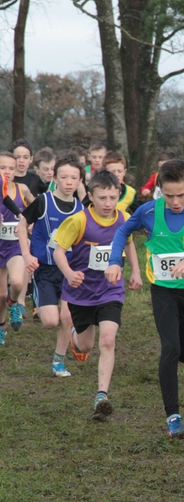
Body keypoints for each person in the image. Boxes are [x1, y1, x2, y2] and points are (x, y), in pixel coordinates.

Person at [107, 160, 184, 438]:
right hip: (162, 290)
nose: (175, 202)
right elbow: (122, 230)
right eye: (169, 195)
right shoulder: (148, 211)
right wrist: (114, 261)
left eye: (180, 195)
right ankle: (173, 417)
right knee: (170, 349)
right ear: (159, 189)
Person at [53, 170, 142, 420]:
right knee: (85, 345)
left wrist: (135, 271)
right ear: (91, 196)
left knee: (108, 340)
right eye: (102, 198)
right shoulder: (78, 221)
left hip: (110, 289)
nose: (108, 203)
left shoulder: (124, 218)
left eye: (113, 197)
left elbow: (129, 243)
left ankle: (101, 395)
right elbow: (59, 251)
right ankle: (73, 333)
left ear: (119, 196)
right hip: (81, 292)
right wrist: (69, 273)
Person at [18, 152, 85, 377]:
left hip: (68, 270)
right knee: (50, 322)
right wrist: (26, 254)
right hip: (45, 270)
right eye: (63, 177)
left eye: (73, 178)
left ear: (80, 180)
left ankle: (59, 361)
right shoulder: (43, 202)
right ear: (55, 178)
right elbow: (22, 224)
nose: (68, 182)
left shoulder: (80, 209)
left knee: (66, 317)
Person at [0, 152, 34, 342]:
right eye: (2, 168)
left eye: (11, 168)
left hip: (14, 246)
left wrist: (27, 221)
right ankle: (1, 325)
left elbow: (36, 210)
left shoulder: (22, 190)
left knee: (17, 282)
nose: (7, 171)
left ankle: (13, 304)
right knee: (1, 294)